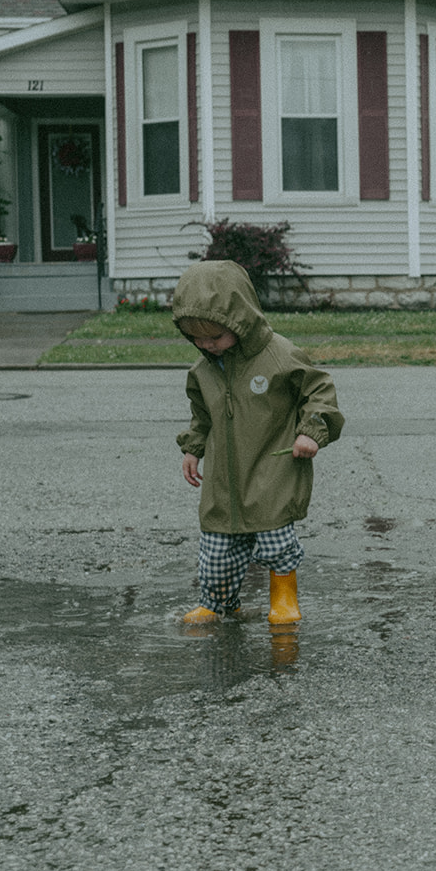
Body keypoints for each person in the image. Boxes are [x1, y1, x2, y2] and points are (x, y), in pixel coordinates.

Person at [171, 259, 344, 626]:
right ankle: (217, 602)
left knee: (275, 542)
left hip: (273, 470)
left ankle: (283, 597)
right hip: (223, 479)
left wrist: (311, 431)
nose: (207, 345)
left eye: (215, 336)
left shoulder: (280, 355)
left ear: (242, 320)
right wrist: (193, 447)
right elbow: (201, 414)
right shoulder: (202, 371)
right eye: (197, 337)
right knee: (217, 551)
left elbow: (319, 390)